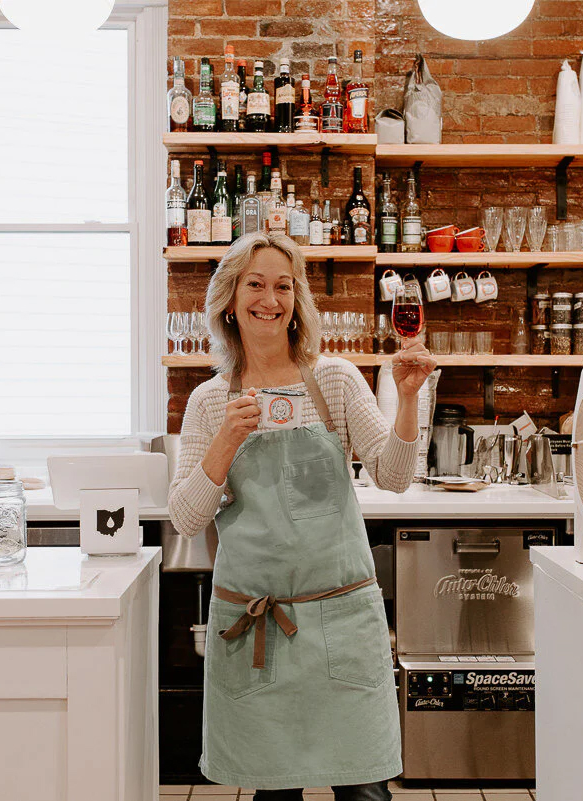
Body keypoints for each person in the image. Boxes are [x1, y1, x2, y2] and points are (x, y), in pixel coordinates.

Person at [168, 233, 437, 800]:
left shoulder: (334, 379)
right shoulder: (210, 401)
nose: (271, 299)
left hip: (340, 620)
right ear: (229, 300)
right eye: (256, 284)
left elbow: (393, 474)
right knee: (276, 791)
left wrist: (409, 399)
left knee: (366, 791)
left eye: (283, 286)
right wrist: (226, 441)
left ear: (298, 300)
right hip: (258, 626)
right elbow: (188, 517)